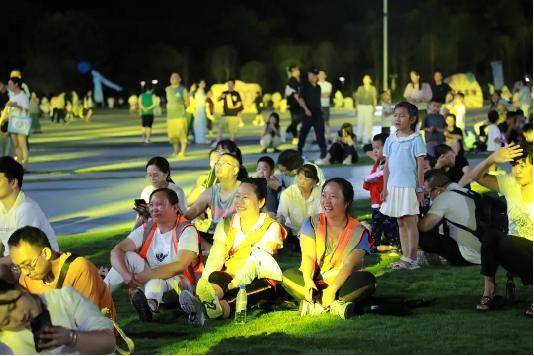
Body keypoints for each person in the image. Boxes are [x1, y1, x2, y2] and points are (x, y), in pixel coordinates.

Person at [179, 178, 285, 321]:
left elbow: (255, 262)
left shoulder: (271, 226)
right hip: (227, 278)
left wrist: (234, 284)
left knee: (240, 295)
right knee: (215, 276)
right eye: (237, 196)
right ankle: (204, 301)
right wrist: (204, 283)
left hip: (258, 278)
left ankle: (207, 308)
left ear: (260, 202)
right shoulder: (226, 223)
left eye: (245, 198)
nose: (239, 202)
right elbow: (216, 256)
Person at [282, 178, 376, 318]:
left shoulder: (359, 231)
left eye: (333, 197)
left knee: (368, 280)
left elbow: (349, 264)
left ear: (346, 203)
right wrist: (307, 280)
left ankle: (315, 303)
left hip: (342, 282)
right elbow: (308, 256)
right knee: (287, 276)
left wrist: (332, 289)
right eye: (324, 195)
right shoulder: (312, 222)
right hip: (314, 280)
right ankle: (334, 305)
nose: (326, 201)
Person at [105, 188, 201, 322]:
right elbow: (117, 250)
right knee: (127, 257)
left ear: (174, 208)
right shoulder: (148, 227)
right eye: (151, 205)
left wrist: (144, 276)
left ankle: (150, 304)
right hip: (148, 278)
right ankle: (97, 296)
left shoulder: (186, 230)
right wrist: (126, 275)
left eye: (160, 205)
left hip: (178, 284)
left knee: (156, 283)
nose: (154, 209)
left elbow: (180, 265)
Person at [461, 145, 532, 314]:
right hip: (512, 251)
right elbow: (474, 177)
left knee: (507, 241)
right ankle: (489, 290)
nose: (517, 171)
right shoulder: (510, 184)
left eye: (523, 165)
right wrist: (492, 158)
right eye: (514, 165)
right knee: (491, 235)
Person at [7, 226, 116, 321]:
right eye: (19, 267)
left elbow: (87, 319)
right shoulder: (27, 278)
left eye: (27, 264)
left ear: (46, 253)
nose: (25, 272)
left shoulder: (78, 268)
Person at [0, 281, 116, 354]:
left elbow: (108, 342)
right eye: (7, 321)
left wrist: (72, 338)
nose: (19, 317)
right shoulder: (6, 343)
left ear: (19, 288)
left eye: (13, 307)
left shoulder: (65, 298)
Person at [380, 102, 426, 269]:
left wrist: (420, 189)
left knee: (410, 222)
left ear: (412, 119)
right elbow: (386, 167)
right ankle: (405, 256)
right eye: (396, 115)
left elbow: (421, 167)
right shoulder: (390, 140)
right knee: (400, 221)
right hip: (393, 187)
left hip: (409, 188)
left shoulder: (416, 139)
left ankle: (412, 258)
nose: (397, 118)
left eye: (402, 115)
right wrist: (385, 188)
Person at [0, 157, 58, 261]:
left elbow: (24, 253)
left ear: (13, 183)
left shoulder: (26, 209)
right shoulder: (1, 208)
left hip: (38, 266)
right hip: (13, 264)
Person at [418, 170, 480, 266]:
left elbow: (423, 227)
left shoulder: (444, 198)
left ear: (438, 190)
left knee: (423, 235)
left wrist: (414, 217)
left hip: (467, 256)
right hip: (482, 251)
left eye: (427, 193)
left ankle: (424, 257)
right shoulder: (466, 192)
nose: (428, 196)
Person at [185, 153, 241, 244]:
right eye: (217, 164)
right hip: (213, 237)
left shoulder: (246, 190)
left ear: (235, 170)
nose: (218, 167)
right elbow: (192, 211)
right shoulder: (211, 191)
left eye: (224, 164)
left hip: (238, 238)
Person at [363, 133, 399, 249]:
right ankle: (374, 244)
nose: (375, 151)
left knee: (389, 223)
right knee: (376, 224)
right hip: (375, 201)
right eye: (374, 148)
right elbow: (372, 178)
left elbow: (387, 180)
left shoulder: (390, 164)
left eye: (378, 148)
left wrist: (375, 180)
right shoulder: (377, 164)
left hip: (386, 201)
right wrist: (368, 181)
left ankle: (393, 242)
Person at [135, 157, 187, 228]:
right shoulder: (146, 191)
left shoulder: (177, 191)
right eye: (149, 175)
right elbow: (140, 219)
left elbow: (183, 216)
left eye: (155, 175)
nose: (152, 179)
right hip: (150, 227)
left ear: (166, 174)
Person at [277, 164, 321, 244]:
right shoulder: (287, 193)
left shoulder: (321, 193)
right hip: (293, 233)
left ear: (314, 181)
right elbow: (281, 214)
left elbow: (323, 216)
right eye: (300, 178)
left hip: (315, 233)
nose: (302, 182)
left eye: (307, 179)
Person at [297, 67, 327, 160]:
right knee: (303, 133)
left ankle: (323, 152)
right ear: (308, 75)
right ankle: (299, 151)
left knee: (320, 133)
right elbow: (300, 99)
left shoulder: (318, 87)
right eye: (312, 74)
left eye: (315, 75)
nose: (314, 76)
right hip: (307, 114)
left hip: (317, 113)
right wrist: (306, 109)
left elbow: (318, 101)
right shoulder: (304, 87)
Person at [6, 78, 30, 170]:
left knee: (22, 144)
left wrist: (16, 105)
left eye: (10, 84)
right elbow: (10, 107)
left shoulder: (22, 95)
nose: (9, 86)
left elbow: (26, 109)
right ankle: (20, 163)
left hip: (22, 121)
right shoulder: (12, 95)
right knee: (15, 144)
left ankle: (25, 165)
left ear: (16, 84)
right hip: (13, 121)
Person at [165, 72, 189, 157]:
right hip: (170, 117)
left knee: (182, 135)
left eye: (175, 77)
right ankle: (175, 151)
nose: (173, 78)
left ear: (179, 79)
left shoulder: (183, 89)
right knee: (172, 136)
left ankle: (182, 152)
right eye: (171, 77)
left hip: (180, 116)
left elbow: (187, 102)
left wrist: (181, 108)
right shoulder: (167, 89)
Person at [354, 75, 377, 145]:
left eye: (367, 79)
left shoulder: (372, 88)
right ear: (363, 80)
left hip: (369, 106)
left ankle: (369, 138)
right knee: (360, 122)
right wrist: (356, 107)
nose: (366, 80)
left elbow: (374, 98)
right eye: (364, 79)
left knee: (369, 123)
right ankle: (359, 138)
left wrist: (374, 107)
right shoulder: (360, 88)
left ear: (370, 80)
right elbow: (357, 98)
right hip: (361, 106)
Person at [285, 65, 303, 145]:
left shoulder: (298, 80)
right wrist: (300, 102)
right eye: (296, 70)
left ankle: (290, 129)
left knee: (299, 120)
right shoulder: (292, 80)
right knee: (296, 120)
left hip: (298, 103)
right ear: (292, 72)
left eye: (298, 70)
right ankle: (294, 136)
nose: (298, 72)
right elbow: (294, 93)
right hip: (294, 104)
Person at [318, 70, 332, 142]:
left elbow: (328, 94)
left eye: (322, 74)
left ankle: (328, 137)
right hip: (318, 106)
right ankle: (321, 137)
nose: (321, 76)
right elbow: (316, 95)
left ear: (325, 76)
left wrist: (321, 94)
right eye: (319, 74)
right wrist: (322, 94)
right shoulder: (316, 84)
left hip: (326, 105)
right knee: (319, 122)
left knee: (326, 121)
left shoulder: (328, 84)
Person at [193, 80, 208, 144]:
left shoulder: (200, 90)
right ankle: (201, 140)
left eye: (204, 82)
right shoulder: (200, 90)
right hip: (200, 109)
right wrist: (208, 95)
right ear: (199, 84)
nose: (204, 83)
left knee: (200, 124)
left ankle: (200, 139)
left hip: (200, 109)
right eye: (202, 83)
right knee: (200, 124)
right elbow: (203, 99)